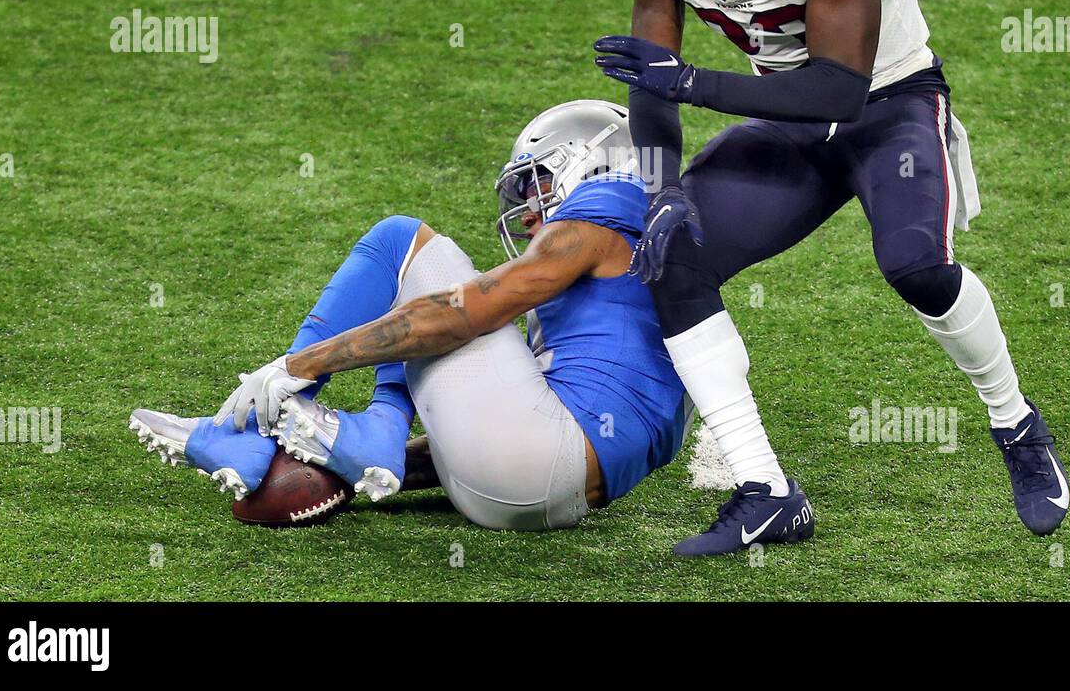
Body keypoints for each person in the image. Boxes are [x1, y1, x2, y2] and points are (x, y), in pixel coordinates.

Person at [593, 0, 1069, 555]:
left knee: (917, 266)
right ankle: (767, 492)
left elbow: (841, 90)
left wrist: (695, 85)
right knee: (671, 253)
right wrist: (664, 186)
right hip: (783, 112)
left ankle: (1015, 421)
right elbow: (652, 75)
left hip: (889, 101)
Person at [132, 101, 703, 531]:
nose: (528, 212)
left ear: (592, 164)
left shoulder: (608, 205)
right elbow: (519, 442)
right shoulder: (643, 283)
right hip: (540, 502)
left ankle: (258, 428)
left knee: (401, 245)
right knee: (437, 308)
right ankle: (355, 435)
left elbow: (459, 317)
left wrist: (295, 366)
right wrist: (358, 469)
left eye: (538, 184)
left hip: (533, 457)